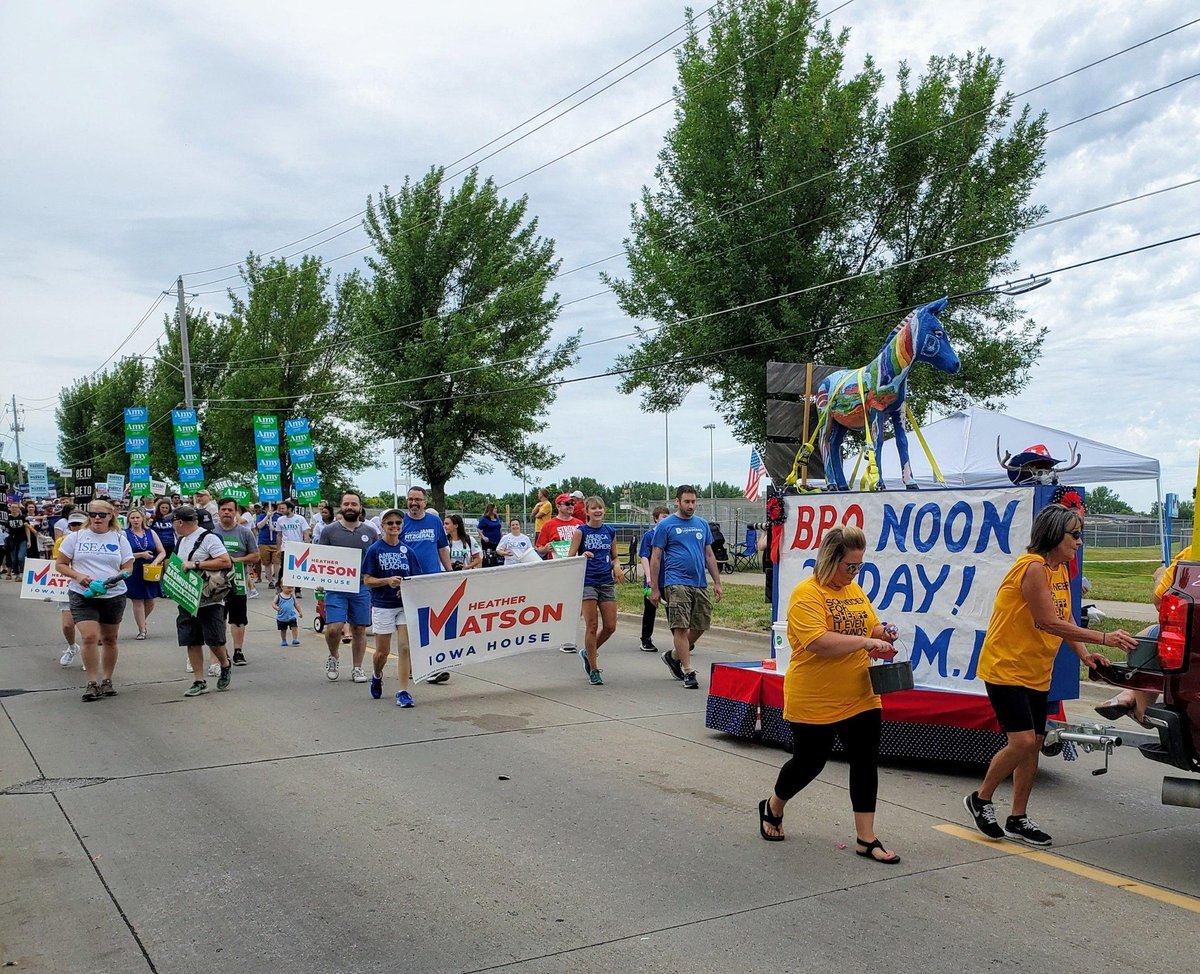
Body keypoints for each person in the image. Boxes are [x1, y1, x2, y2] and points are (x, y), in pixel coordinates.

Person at [964, 504, 1138, 847]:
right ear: (1054, 535)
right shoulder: (1032, 568)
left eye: (1080, 535)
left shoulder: (1059, 570)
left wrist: (1087, 655)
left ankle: (1018, 818)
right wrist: (1105, 637)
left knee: (1035, 747)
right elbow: (1046, 621)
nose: (1079, 542)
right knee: (1023, 742)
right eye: (1074, 535)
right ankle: (981, 800)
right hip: (1005, 668)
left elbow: (1066, 621)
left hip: (1035, 671)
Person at [756, 526, 903, 863]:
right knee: (809, 763)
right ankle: (774, 805)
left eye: (860, 566)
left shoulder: (853, 591)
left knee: (865, 761)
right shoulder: (807, 594)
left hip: (860, 693)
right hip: (815, 696)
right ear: (830, 559)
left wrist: (883, 634)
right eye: (850, 566)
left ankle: (866, 838)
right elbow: (818, 642)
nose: (854, 573)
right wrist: (866, 642)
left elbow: (868, 626)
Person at [1095, 542, 1191, 726]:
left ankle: (1142, 712)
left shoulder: (1190, 554)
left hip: (1187, 639)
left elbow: (1159, 600)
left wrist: (1161, 575)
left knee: (1140, 642)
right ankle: (1128, 694)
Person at [55, 499, 134, 702]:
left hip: (113, 594)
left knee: (110, 638)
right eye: (92, 514)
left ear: (110, 516)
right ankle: (92, 682)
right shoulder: (76, 537)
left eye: (101, 515)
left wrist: (116, 578)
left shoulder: (119, 538)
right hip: (83, 594)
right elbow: (60, 565)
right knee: (89, 637)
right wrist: (78, 576)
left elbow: (128, 567)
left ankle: (107, 680)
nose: (96, 518)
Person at [649, 485, 723, 689]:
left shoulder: (701, 525)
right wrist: (655, 588)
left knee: (700, 624)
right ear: (677, 502)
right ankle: (688, 670)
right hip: (675, 582)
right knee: (680, 627)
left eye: (693, 502)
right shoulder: (666, 525)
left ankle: (674, 656)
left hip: (699, 582)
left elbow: (709, 554)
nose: (691, 506)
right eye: (687, 502)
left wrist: (717, 582)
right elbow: (655, 558)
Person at [172, 505, 235, 698]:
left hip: (209, 598)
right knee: (192, 639)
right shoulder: (181, 541)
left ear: (180, 522)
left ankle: (224, 664)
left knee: (214, 640)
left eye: (173, 522)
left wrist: (197, 564)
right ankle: (199, 681)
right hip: (187, 598)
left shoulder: (209, 538)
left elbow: (226, 561)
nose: (173, 525)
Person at [319, 492, 378, 683]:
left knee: (359, 629)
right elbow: (320, 557)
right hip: (336, 587)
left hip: (361, 587)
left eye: (354, 504)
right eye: (346, 504)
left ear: (360, 507)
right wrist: (318, 579)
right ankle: (334, 656)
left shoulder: (370, 532)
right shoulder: (329, 531)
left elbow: (376, 559)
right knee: (334, 628)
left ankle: (357, 668)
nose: (350, 507)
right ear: (341, 507)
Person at [568, 496, 625, 686]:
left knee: (610, 626)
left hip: (606, 581)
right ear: (586, 511)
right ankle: (593, 669)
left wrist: (617, 566)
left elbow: (615, 556)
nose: (597, 511)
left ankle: (587, 651)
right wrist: (582, 555)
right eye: (593, 508)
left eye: (600, 507)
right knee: (591, 625)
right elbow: (571, 557)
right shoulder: (580, 531)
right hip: (587, 582)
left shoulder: (610, 531)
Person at [400, 487, 453, 684]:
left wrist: (448, 572)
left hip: (432, 580)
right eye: (411, 499)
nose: (414, 503)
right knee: (413, 625)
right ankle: (415, 666)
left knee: (434, 624)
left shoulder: (434, 522)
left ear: (425, 501)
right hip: (409, 582)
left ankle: (433, 666)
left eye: (418, 500)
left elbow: (441, 547)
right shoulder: (401, 523)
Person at [364, 509, 415, 705]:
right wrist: (387, 581)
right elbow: (367, 580)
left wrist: (407, 587)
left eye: (397, 523)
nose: (394, 526)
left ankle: (403, 691)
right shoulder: (375, 550)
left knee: (404, 647)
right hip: (383, 605)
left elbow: (416, 578)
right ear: (382, 526)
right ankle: (377, 675)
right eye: (390, 523)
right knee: (382, 652)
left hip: (403, 605)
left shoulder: (407, 551)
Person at [214, 497, 260, 668]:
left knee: (238, 618)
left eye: (230, 510)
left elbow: (255, 556)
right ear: (218, 511)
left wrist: (235, 560)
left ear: (236, 513)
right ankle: (220, 651)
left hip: (238, 581)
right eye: (223, 509)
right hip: (215, 582)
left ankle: (238, 651)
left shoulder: (244, 533)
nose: (226, 512)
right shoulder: (211, 532)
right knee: (218, 617)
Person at [535, 493, 585, 653]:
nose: (571, 506)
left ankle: (568, 636)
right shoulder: (549, 525)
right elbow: (539, 547)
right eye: (567, 504)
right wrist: (545, 548)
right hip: (557, 570)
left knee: (575, 605)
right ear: (558, 506)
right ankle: (564, 638)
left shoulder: (579, 524)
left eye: (572, 503)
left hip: (576, 569)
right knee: (561, 605)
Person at [124, 507, 165, 640]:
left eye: (137, 517)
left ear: (143, 519)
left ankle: (142, 620)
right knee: (138, 600)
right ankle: (142, 630)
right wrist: (140, 555)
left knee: (150, 601)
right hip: (134, 568)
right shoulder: (124, 534)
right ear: (129, 520)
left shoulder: (151, 532)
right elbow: (122, 554)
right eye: (132, 518)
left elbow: (162, 552)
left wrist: (155, 562)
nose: (135, 520)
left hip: (150, 568)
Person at [55, 511, 89, 667]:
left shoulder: (93, 541)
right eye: (73, 524)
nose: (75, 527)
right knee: (68, 625)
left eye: (79, 524)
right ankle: (72, 647)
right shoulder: (62, 541)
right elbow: (53, 565)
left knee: (87, 625)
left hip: (88, 586)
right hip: (67, 585)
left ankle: (88, 655)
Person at [638, 506, 670, 651]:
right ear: (656, 519)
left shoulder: (670, 536)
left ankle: (683, 640)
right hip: (652, 581)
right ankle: (646, 639)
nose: (666, 520)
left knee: (673, 611)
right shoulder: (649, 536)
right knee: (650, 610)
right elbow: (644, 557)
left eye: (668, 517)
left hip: (669, 580)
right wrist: (649, 578)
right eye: (663, 517)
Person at [256, 504, 280, 588]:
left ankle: (277, 580)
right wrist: (267, 517)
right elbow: (259, 526)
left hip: (276, 542)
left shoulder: (278, 517)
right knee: (267, 563)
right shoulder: (261, 516)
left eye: (271, 508)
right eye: (267, 508)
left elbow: (281, 529)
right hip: (264, 542)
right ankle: (270, 581)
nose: (269, 509)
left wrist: (274, 528)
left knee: (277, 562)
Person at [151, 498, 177, 562]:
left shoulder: (173, 519)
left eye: (166, 508)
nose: (164, 509)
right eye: (162, 507)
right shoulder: (154, 518)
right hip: (156, 546)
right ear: (159, 508)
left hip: (170, 546)